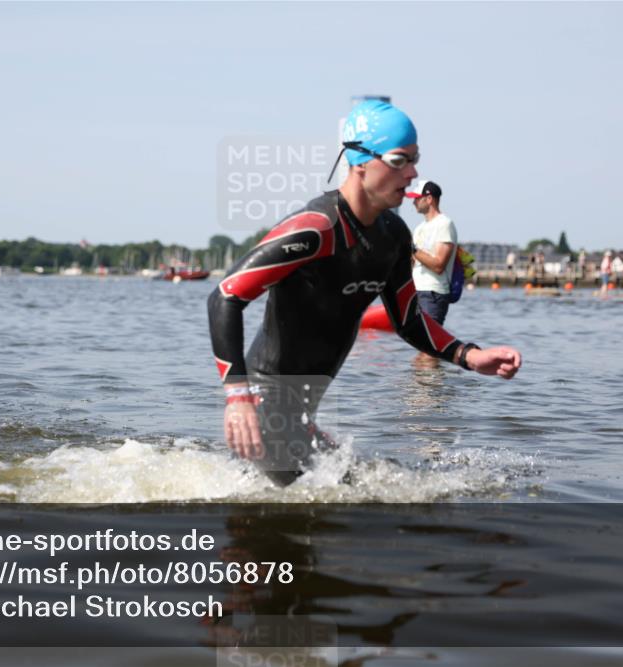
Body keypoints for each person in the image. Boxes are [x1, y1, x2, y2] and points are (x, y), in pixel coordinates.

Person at [207, 100, 522, 486]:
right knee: (337, 510)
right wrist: (237, 398)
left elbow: (408, 320)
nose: (413, 172)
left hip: (298, 416)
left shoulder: (393, 236)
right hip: (263, 407)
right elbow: (224, 296)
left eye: (415, 159)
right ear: (360, 162)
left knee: (353, 496)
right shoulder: (316, 229)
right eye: (399, 160)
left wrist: (468, 355)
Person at [405, 180, 456, 325]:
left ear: (429, 199)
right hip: (416, 292)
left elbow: (439, 265)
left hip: (433, 293)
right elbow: (413, 263)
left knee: (428, 345)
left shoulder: (444, 224)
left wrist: (412, 248)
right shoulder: (419, 228)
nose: (413, 202)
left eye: (417, 198)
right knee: (420, 344)